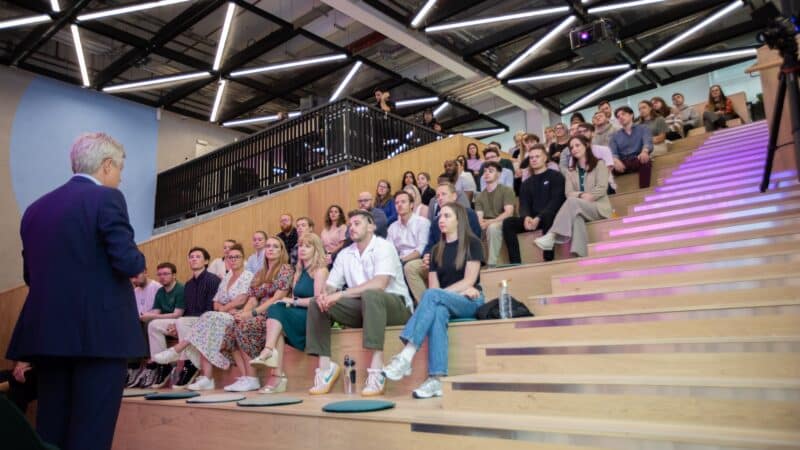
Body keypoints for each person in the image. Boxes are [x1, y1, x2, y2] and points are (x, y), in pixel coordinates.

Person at [6, 132, 145, 450]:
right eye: (120, 170)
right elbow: (128, 261)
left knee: (51, 428)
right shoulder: (107, 198)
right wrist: (140, 261)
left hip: (49, 336)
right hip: (99, 336)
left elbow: (30, 275)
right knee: (92, 431)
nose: (120, 178)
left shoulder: (35, 209)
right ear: (107, 165)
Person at [382, 202, 484, 399]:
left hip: (470, 299)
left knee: (432, 296)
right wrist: (439, 296)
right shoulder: (437, 249)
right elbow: (434, 287)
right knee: (437, 311)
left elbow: (469, 281)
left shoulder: (472, 243)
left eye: (447, 216)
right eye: (440, 216)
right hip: (445, 301)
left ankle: (406, 356)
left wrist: (439, 295)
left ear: (459, 220)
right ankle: (437, 379)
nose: (441, 220)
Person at [306, 210, 413, 396]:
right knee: (316, 303)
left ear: (371, 226)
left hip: (395, 307)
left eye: (357, 223)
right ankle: (325, 368)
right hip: (363, 308)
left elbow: (380, 284)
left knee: (371, 294)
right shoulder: (345, 254)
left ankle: (377, 370)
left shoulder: (384, 247)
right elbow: (331, 284)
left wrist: (340, 294)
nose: (352, 228)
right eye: (350, 225)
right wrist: (325, 294)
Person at [154, 244, 254, 391]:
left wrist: (224, 308)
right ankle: (206, 378)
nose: (233, 260)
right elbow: (215, 302)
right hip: (221, 315)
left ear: (243, 258)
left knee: (206, 319)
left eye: (236, 257)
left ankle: (179, 352)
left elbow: (242, 299)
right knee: (203, 325)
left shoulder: (248, 275)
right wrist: (223, 309)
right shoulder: (227, 278)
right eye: (230, 257)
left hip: (238, 315)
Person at [249, 233, 329, 394]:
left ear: (316, 249)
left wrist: (293, 301)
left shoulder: (320, 270)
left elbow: (317, 301)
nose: (302, 249)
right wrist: (289, 302)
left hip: (314, 316)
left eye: (308, 246)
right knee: (276, 313)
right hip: (297, 314)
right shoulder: (298, 272)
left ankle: (269, 356)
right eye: (301, 246)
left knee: (277, 309)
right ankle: (275, 372)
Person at [225, 237, 293, 392]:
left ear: (281, 251)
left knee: (244, 326)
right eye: (268, 246)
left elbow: (277, 298)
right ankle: (247, 377)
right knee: (232, 326)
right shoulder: (259, 273)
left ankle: (252, 377)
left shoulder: (286, 269)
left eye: (275, 246)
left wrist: (252, 314)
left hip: (275, 313)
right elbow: (253, 298)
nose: (271, 249)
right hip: (257, 313)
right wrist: (243, 313)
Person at [147, 247, 220, 390]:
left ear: (206, 261)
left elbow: (210, 310)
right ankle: (163, 365)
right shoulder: (189, 284)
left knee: (182, 322)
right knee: (153, 324)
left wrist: (181, 323)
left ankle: (189, 364)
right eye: (191, 257)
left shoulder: (213, 280)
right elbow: (187, 311)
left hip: (209, 319)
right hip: (190, 320)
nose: (194, 259)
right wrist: (176, 325)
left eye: (198, 256)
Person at [536, 135, 613, 257]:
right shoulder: (570, 171)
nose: (574, 149)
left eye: (577, 145)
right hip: (580, 207)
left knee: (572, 202)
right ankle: (580, 255)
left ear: (586, 145)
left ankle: (552, 235)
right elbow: (568, 193)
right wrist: (582, 195)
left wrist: (590, 196)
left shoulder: (599, 164)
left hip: (598, 207)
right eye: (571, 147)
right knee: (576, 218)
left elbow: (602, 187)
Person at [406, 183, 482, 302]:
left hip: (461, 259)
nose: (440, 198)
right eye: (438, 196)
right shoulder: (436, 221)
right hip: (438, 259)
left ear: (454, 196)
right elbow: (430, 245)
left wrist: (437, 295)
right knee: (410, 267)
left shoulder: (468, 214)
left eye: (443, 194)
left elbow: (473, 239)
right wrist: (427, 256)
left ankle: (429, 303)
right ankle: (424, 303)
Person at [502, 144, 565, 263]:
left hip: (550, 217)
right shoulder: (527, 183)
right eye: (531, 157)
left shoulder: (556, 176)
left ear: (545, 158)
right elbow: (524, 204)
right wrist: (526, 217)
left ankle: (548, 259)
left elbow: (556, 202)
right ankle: (515, 262)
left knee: (548, 215)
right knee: (508, 223)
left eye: (537, 156)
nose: (534, 159)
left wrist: (539, 217)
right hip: (532, 220)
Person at [130, 262, 185, 389]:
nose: (162, 277)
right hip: (165, 321)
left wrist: (152, 316)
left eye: (165, 274)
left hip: (179, 321)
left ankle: (154, 364)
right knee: (144, 322)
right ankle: (160, 364)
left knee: (152, 323)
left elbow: (177, 314)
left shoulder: (180, 289)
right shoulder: (160, 291)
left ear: (174, 275)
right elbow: (156, 311)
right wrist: (145, 315)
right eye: (159, 274)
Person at [474, 161, 515, 267]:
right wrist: (481, 223)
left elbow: (509, 213)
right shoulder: (479, 196)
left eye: (491, 171)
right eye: (485, 171)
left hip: (504, 221)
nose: (487, 173)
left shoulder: (506, 190)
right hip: (487, 222)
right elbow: (479, 216)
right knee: (470, 229)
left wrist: (490, 222)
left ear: (499, 174)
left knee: (492, 227)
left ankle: (492, 263)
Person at [609, 105, 653, 189]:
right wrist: (615, 160)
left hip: (638, 158)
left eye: (623, 114)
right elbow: (613, 152)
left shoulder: (643, 128)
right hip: (623, 162)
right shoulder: (614, 135)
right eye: (618, 116)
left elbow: (647, 142)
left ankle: (644, 190)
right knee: (608, 168)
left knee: (645, 161)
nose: (620, 117)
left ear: (631, 115)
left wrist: (644, 151)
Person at [387, 191, 431, 265]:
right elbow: (389, 250)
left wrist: (401, 261)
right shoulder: (392, 227)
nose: (399, 205)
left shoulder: (423, 223)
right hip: (398, 260)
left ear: (411, 205)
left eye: (403, 202)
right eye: (397, 203)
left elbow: (421, 249)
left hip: (417, 260)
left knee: (408, 266)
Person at [575, 123, 617, 194]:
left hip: (603, 184)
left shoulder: (604, 149)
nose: (582, 134)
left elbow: (607, 170)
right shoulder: (575, 154)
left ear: (593, 133)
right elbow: (574, 174)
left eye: (585, 131)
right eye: (579, 132)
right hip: (583, 187)